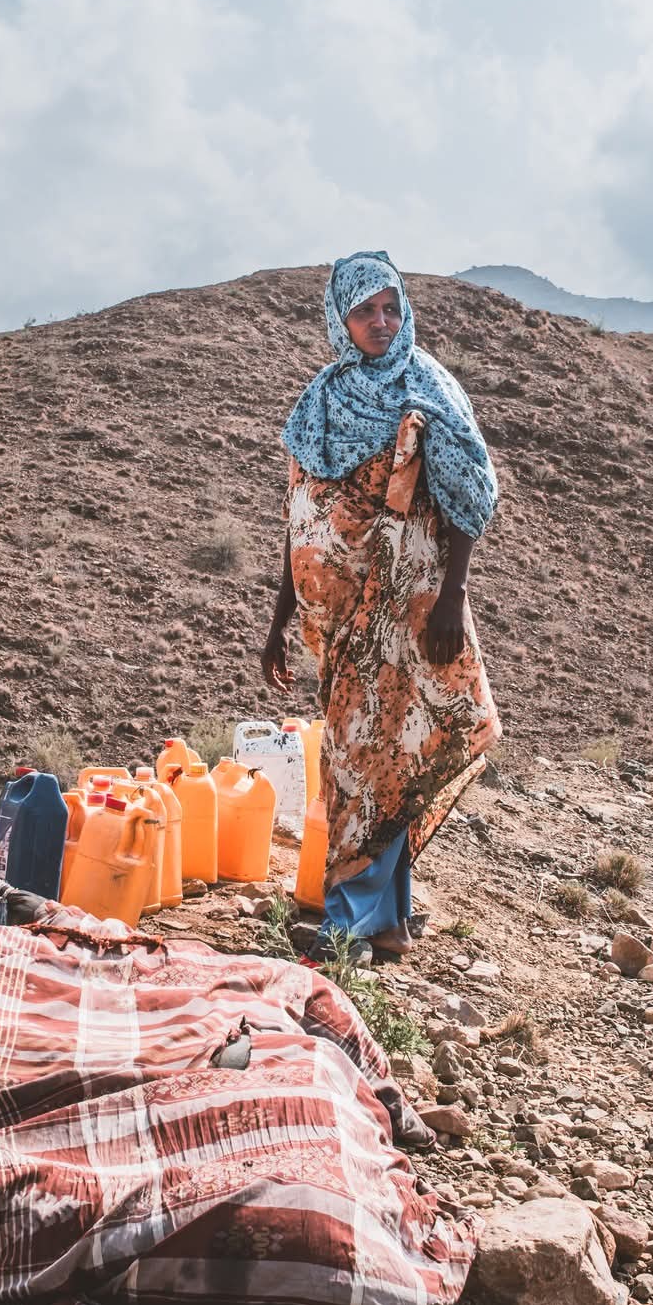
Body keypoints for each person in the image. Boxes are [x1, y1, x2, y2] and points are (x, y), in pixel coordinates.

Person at [261, 250, 501, 961]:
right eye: (364, 309)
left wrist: (453, 598)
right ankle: (386, 920)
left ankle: (350, 923)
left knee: (385, 755)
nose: (381, 321)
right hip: (342, 622)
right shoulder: (322, 400)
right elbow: (300, 518)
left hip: (412, 607)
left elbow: (471, 499)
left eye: (391, 306)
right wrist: (279, 618)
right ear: (339, 318)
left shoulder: (427, 388)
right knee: (357, 756)